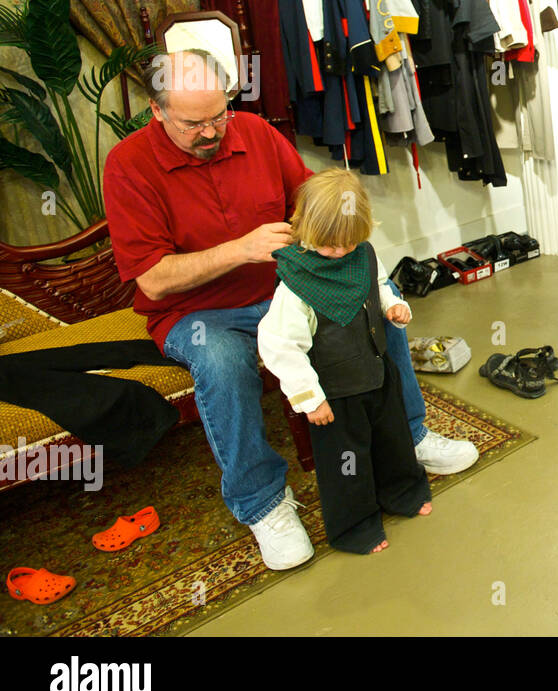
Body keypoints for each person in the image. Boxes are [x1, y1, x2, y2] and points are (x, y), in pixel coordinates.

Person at [103, 50, 478, 571]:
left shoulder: (254, 132)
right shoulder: (127, 165)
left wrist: (338, 222)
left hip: (288, 286)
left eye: (219, 115)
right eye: (195, 123)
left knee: (374, 302)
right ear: (156, 110)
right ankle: (263, 503)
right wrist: (240, 248)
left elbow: (309, 196)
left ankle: (409, 436)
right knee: (221, 362)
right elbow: (153, 279)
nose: (212, 131)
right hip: (198, 313)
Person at [257, 170, 431, 554]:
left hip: (378, 372)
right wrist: (308, 398)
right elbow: (279, 345)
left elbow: (380, 284)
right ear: (305, 230)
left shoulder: (362, 254)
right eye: (329, 245)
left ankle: (403, 492)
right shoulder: (295, 285)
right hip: (334, 395)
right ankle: (355, 526)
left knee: (393, 439)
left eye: (348, 243)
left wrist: (394, 306)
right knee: (347, 462)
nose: (339, 252)